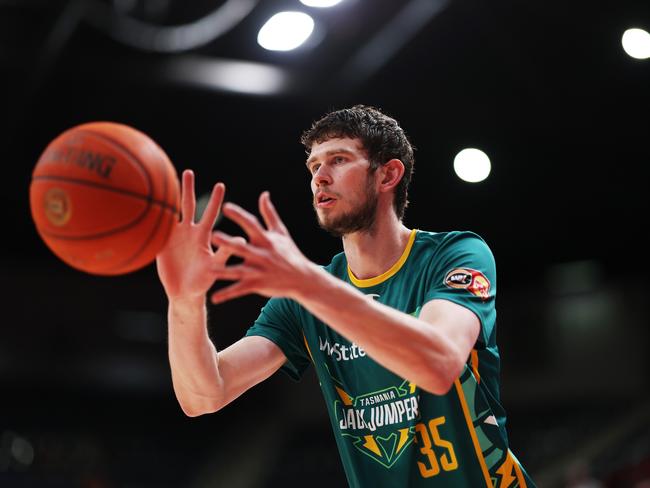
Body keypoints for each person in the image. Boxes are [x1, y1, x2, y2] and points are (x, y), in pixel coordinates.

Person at [156, 105, 536, 487]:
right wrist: (184, 300)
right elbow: (204, 394)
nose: (320, 177)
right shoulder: (304, 295)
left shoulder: (454, 255)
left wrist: (309, 286)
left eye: (338, 159)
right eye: (313, 166)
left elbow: (438, 364)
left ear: (388, 173)